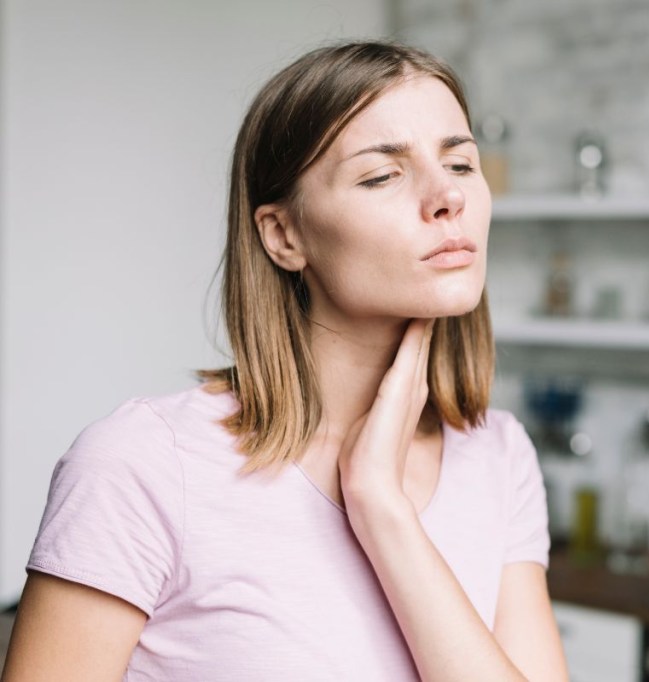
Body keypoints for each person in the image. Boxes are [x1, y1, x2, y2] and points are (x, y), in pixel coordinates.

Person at [1, 41, 569, 681]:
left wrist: (382, 507)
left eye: (461, 164)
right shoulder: (140, 465)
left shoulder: (498, 454)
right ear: (284, 236)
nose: (448, 197)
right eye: (383, 175)